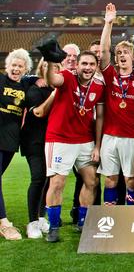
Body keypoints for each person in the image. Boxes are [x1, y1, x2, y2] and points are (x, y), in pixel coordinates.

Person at [44, 50, 105, 242]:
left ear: (96, 67)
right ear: (77, 65)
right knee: (57, 183)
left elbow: (100, 116)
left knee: (92, 182)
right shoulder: (68, 77)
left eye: (91, 65)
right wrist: (51, 60)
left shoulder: (98, 85)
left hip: (85, 141)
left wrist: (97, 146)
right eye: (84, 64)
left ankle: (83, 221)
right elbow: (53, 80)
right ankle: (54, 226)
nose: (87, 68)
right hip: (60, 139)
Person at [97, 3, 134, 206]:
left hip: (133, 137)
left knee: (131, 181)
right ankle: (109, 217)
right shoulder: (110, 76)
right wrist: (108, 23)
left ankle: (131, 218)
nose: (122, 55)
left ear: (133, 57)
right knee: (110, 179)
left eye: (126, 52)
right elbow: (103, 51)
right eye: (119, 53)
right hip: (110, 137)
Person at [0, 48, 37, 240]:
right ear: (7, 66)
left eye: (20, 66)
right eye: (13, 65)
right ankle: (4, 223)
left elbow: (38, 79)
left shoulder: (26, 84)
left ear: (25, 69)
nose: (16, 69)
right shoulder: (0, 80)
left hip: (11, 142)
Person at [21, 59, 59, 239]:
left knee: (47, 179)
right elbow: (39, 112)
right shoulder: (35, 89)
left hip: (53, 141)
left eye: (53, 66)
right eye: (45, 65)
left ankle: (42, 217)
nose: (49, 69)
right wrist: (53, 95)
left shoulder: (58, 88)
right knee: (37, 178)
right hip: (34, 141)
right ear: (40, 69)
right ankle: (32, 222)